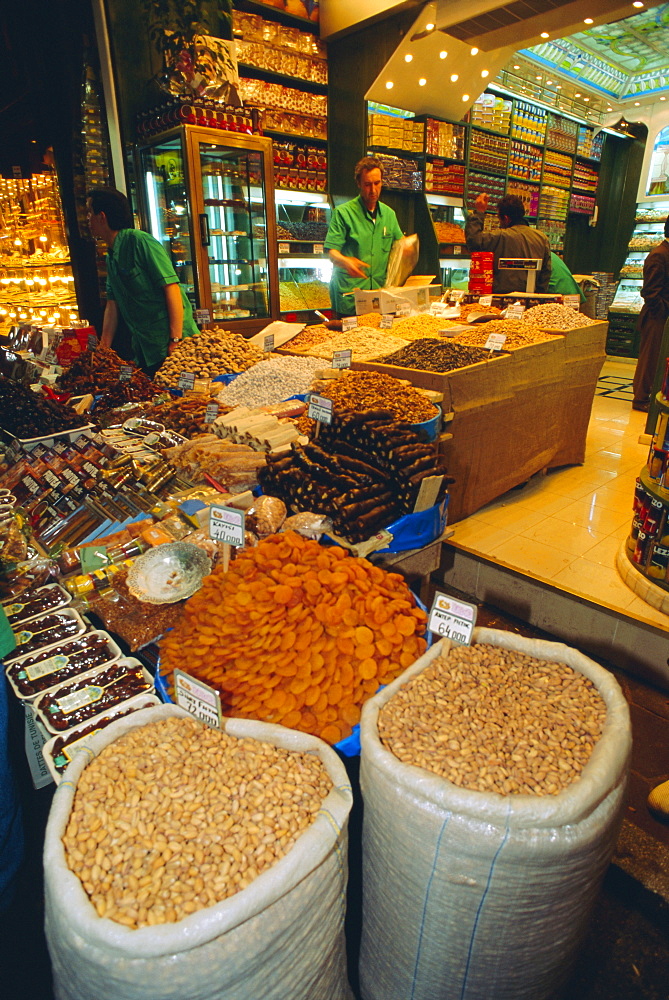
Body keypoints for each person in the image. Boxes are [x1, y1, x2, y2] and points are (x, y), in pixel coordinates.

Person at [87, 187, 198, 377]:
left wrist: (176, 339)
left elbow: (171, 288)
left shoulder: (140, 241)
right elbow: (112, 305)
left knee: (183, 398)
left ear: (102, 216)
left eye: (89, 212)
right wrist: (103, 350)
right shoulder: (111, 256)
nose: (87, 219)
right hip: (146, 347)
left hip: (171, 343)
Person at [323, 156, 403, 317]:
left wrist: (407, 247)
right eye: (367, 185)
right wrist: (346, 262)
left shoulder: (389, 214)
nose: (373, 190)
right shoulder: (343, 213)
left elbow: (400, 245)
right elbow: (331, 252)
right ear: (359, 184)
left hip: (380, 298)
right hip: (351, 299)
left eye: (377, 183)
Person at [465, 193, 551, 294]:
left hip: (501, 299)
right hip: (530, 299)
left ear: (506, 219)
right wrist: (536, 297)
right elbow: (546, 272)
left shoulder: (500, 236)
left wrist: (479, 212)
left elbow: (474, 241)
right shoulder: (541, 238)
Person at [632, 215, 669, 412]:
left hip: (662, 316)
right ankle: (641, 399)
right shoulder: (659, 254)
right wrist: (663, 311)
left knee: (659, 359)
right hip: (657, 318)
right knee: (650, 359)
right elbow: (650, 292)